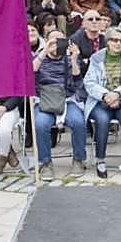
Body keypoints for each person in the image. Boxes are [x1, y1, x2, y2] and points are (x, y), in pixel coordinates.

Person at [81, 27, 121, 178]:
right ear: (107, 41)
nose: (118, 44)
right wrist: (105, 95)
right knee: (102, 120)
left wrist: (117, 94)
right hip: (100, 101)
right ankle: (100, 159)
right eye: (114, 40)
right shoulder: (96, 59)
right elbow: (89, 82)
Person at [32, 28, 83, 180]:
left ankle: (79, 159)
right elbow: (30, 73)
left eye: (60, 40)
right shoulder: (38, 58)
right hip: (44, 100)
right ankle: (45, 163)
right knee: (41, 124)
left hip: (66, 99)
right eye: (53, 40)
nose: (56, 44)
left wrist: (74, 59)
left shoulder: (69, 58)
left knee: (78, 122)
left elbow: (76, 84)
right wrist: (44, 52)